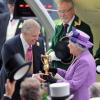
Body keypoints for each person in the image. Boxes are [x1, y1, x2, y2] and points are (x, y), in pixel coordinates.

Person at [40, 28, 96, 100]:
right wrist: (55, 70)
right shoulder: (82, 56)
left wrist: (54, 81)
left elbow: (73, 85)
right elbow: (70, 75)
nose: (68, 45)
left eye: (70, 43)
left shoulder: (84, 61)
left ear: (77, 46)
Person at [0, 19, 45, 100]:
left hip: (33, 91)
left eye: (38, 35)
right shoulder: (9, 46)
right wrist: (31, 76)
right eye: (34, 36)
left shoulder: (40, 42)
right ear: (24, 34)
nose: (37, 38)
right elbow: (10, 73)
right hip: (14, 89)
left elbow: (42, 65)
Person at [48, 0, 93, 69]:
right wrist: (51, 54)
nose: (62, 15)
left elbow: (86, 54)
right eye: (60, 11)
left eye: (65, 11)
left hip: (75, 71)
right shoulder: (58, 27)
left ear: (73, 10)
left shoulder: (82, 27)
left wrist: (62, 55)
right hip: (58, 72)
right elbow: (52, 47)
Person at [0, 0, 23, 69]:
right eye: (10, 4)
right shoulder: (1, 18)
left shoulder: (25, 19)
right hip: (1, 58)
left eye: (13, 5)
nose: (11, 7)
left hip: (17, 58)